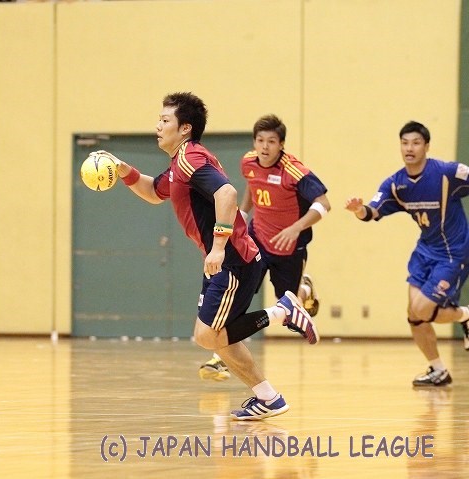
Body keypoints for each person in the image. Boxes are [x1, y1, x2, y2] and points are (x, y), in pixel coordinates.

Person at [96, 92, 319, 420]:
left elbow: (226, 193)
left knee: (207, 336)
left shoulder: (191, 158)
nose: (158, 126)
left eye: (165, 120)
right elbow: (154, 192)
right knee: (218, 339)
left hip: (233, 260)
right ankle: (269, 398)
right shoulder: (180, 163)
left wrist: (218, 246)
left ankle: (282, 311)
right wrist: (121, 169)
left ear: (185, 128)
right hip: (226, 261)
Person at [199, 114, 330, 381]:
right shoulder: (248, 161)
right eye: (260, 140)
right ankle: (219, 357)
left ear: (281, 145)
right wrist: (242, 216)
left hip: (288, 246)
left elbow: (323, 203)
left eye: (271, 141)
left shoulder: (294, 171)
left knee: (289, 303)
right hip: (256, 240)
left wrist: (295, 228)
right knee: (236, 295)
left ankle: (305, 289)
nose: (265, 146)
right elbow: (252, 186)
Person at [346, 121, 469, 387]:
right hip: (424, 252)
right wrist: (359, 210)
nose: (409, 148)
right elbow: (372, 211)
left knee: (423, 309)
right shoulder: (396, 183)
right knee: (414, 315)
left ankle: (465, 315)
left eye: (415, 143)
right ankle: (438, 370)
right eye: (404, 143)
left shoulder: (447, 173)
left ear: (426, 146)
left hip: (452, 253)